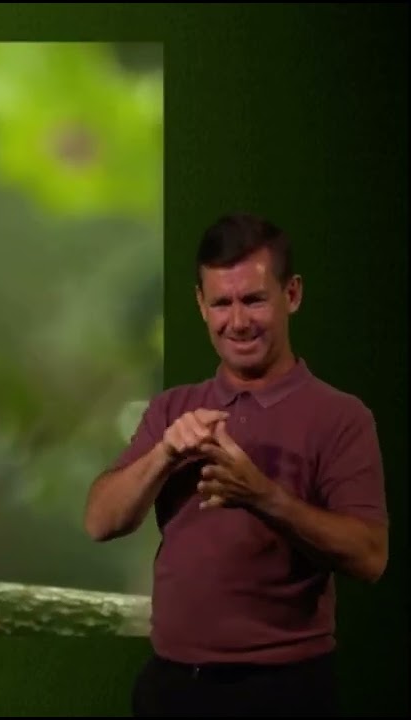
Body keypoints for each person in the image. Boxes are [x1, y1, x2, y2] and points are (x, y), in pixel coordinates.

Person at [83, 213, 389, 717]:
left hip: (282, 689)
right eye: (222, 303)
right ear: (201, 306)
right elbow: (100, 521)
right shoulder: (171, 409)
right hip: (171, 684)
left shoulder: (342, 417)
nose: (238, 321)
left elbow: (370, 558)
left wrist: (264, 497)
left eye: (253, 299)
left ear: (291, 295)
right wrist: (163, 454)